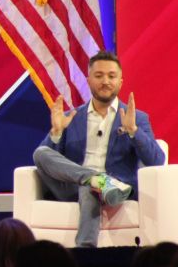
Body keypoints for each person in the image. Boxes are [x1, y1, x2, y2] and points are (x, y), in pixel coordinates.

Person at [32, 51, 165, 247]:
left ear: (120, 82)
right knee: (41, 153)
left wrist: (133, 131)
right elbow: (47, 163)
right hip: (72, 187)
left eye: (111, 76)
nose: (105, 81)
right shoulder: (71, 117)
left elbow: (157, 160)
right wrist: (56, 133)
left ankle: (85, 252)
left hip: (116, 191)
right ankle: (95, 178)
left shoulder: (137, 118)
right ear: (88, 80)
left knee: (90, 189)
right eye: (99, 75)